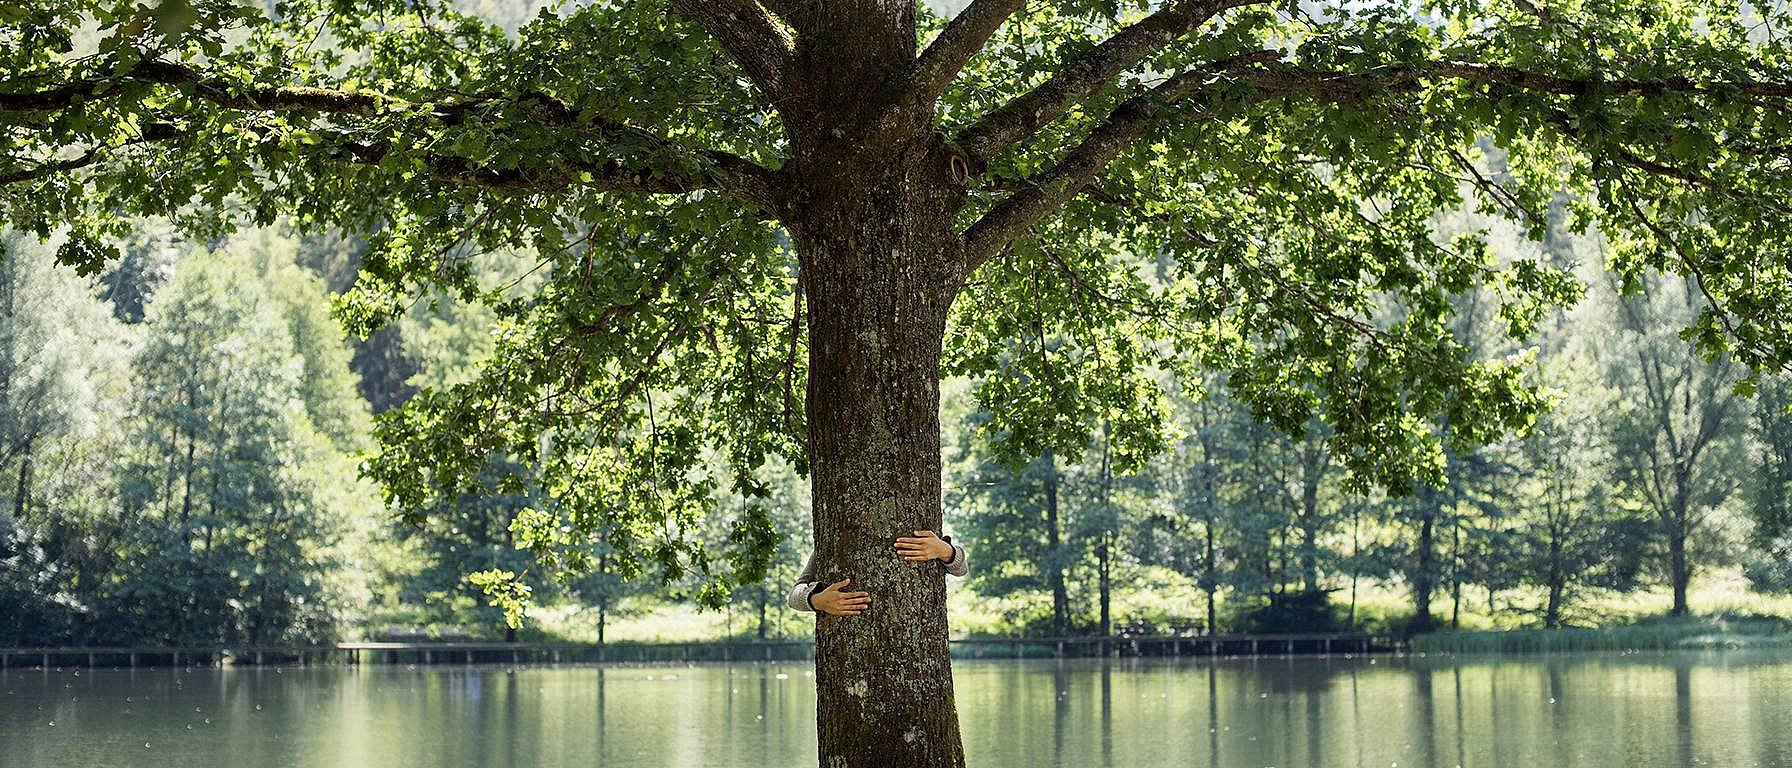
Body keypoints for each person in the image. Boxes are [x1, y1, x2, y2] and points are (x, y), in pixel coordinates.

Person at [786, 530, 969, 616]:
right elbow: (793, 596)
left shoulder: (922, 531)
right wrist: (816, 600)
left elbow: (961, 569)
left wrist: (946, 550)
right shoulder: (831, 541)